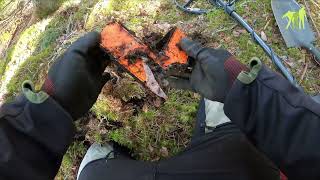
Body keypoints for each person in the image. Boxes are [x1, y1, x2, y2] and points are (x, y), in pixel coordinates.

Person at [0, 31, 319, 180]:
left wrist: (43, 114)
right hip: (267, 163)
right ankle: (224, 130)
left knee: (93, 171)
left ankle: (101, 162)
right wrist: (248, 94)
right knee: (225, 112)